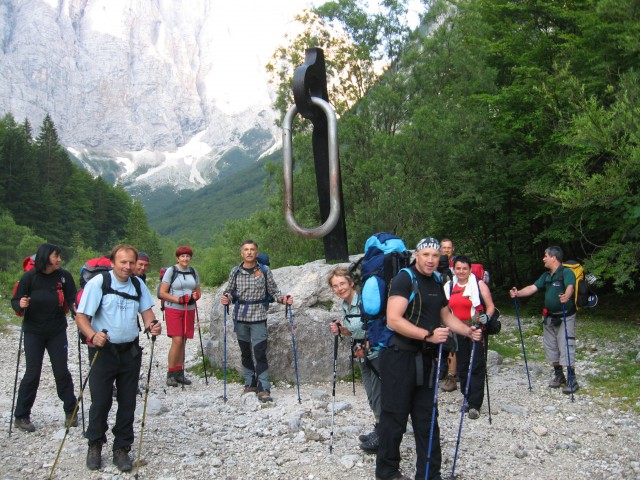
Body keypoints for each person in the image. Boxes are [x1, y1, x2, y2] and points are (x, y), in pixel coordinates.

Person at [375, 237, 482, 480]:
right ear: (417, 255)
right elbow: (393, 319)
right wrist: (428, 336)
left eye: (435, 256)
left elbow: (446, 315)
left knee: (428, 420)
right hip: (398, 357)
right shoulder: (405, 279)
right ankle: (387, 471)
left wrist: (467, 331)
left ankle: (429, 475)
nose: (431, 260)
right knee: (394, 417)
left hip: (425, 360)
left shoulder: (436, 281)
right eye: (426, 255)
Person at [76, 244, 161, 472]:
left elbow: (147, 312)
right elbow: (81, 317)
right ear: (112, 263)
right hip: (103, 352)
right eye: (123, 262)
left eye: (131, 262)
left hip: (130, 352)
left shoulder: (137, 284)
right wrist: (93, 335)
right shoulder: (99, 283)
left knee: (128, 402)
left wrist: (152, 325)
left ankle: (121, 448)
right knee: (101, 401)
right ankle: (95, 444)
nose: (128, 266)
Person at [10, 243, 78, 432]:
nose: (59, 260)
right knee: (32, 373)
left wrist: (76, 310)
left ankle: (71, 411)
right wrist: (20, 304)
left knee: (61, 371)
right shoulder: (29, 277)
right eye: (56, 256)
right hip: (34, 331)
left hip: (56, 330)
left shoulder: (64, 276)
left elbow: (72, 297)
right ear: (46, 257)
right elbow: (16, 301)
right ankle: (21, 416)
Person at [221, 240, 293, 403]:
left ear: (256, 252)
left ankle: (264, 387)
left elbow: (274, 292)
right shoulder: (235, 271)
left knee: (260, 351)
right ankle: (250, 383)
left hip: (259, 316)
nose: (249, 252)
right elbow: (230, 291)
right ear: (242, 253)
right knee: (245, 351)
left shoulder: (265, 271)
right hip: (241, 316)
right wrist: (227, 298)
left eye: (252, 249)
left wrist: (283, 299)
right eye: (246, 250)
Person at [509, 246, 579, 393]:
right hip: (549, 317)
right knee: (551, 346)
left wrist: (566, 296)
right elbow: (533, 288)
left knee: (566, 344)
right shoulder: (546, 275)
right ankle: (559, 376)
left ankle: (572, 379)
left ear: (554, 257)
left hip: (565, 316)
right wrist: (518, 293)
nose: (543, 258)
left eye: (545, 256)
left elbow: (570, 287)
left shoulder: (567, 272)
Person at [327, 267, 381, 453]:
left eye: (342, 283)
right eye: (335, 286)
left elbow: (377, 326)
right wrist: (341, 329)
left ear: (351, 283)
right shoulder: (345, 305)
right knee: (371, 395)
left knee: (379, 394)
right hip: (361, 354)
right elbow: (353, 330)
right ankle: (379, 427)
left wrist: (366, 346)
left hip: (374, 353)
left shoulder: (366, 302)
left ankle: (384, 435)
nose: (339, 288)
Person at [444, 255, 495, 419]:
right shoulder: (450, 285)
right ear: (454, 269)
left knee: (477, 365)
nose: (461, 271)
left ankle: (475, 405)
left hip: (476, 329)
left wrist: (486, 318)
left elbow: (490, 306)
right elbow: (445, 309)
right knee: (463, 366)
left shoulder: (479, 284)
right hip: (458, 330)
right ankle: (467, 397)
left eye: (464, 268)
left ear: (470, 269)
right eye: (458, 268)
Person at [158, 246, 201, 387]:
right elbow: (162, 293)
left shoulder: (193, 271)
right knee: (177, 340)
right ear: (178, 258)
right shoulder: (171, 271)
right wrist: (178, 299)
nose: (185, 258)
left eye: (187, 256)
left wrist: (196, 296)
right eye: (182, 256)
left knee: (183, 340)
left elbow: (198, 291)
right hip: (173, 309)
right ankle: (171, 373)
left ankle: (179, 372)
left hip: (189, 309)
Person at [439, 238, 458, 392]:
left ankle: (452, 376)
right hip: (439, 308)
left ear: (453, 249)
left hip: (453, 309)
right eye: (443, 248)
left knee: (451, 341)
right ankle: (443, 369)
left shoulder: (458, 267)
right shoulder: (436, 266)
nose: (446, 250)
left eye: (448, 248)